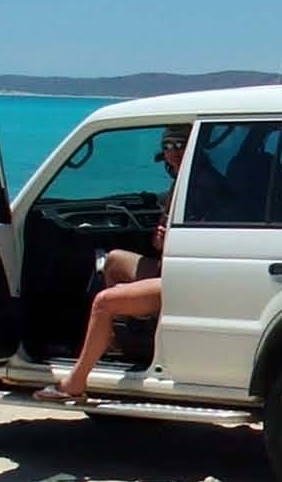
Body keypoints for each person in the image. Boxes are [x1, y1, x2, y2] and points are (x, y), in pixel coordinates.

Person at [37, 124, 188, 402]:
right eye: (168, 148)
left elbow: (193, 242)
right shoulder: (183, 182)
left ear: (191, 148)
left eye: (179, 146)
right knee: (115, 261)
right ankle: (116, 344)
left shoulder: (200, 186)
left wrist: (170, 240)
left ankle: (75, 382)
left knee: (103, 303)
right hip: (170, 269)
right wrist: (160, 240)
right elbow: (163, 245)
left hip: (182, 280)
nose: (173, 153)